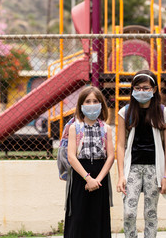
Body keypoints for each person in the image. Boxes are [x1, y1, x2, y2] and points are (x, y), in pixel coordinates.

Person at [116, 70, 166, 238]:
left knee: (150, 213)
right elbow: (120, 145)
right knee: (129, 213)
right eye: (137, 88)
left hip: (154, 169)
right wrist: (121, 175)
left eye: (146, 88)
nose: (141, 91)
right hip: (132, 168)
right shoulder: (125, 112)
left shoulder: (163, 112)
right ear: (133, 89)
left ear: (154, 89)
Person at [64, 86, 115, 238]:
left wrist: (97, 180)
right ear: (81, 105)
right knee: (78, 218)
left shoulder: (106, 129)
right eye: (87, 101)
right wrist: (88, 178)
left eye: (95, 101)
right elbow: (72, 157)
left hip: (100, 176)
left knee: (98, 217)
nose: (92, 104)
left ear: (101, 105)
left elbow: (111, 156)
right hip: (81, 176)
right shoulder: (74, 127)